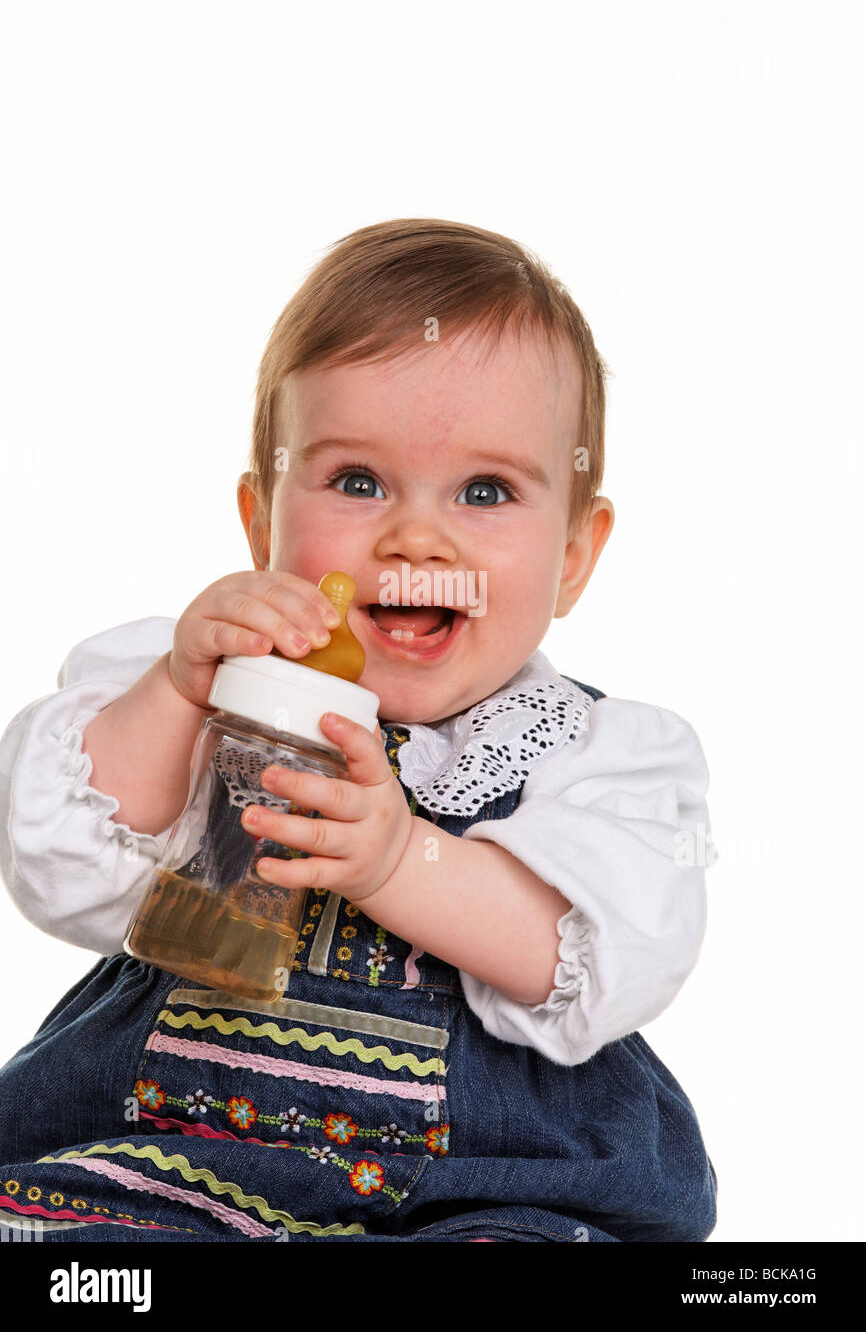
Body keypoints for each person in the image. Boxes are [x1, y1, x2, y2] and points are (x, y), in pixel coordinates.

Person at [0, 218, 717, 1242]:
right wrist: (176, 687)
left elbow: (584, 959)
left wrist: (396, 859)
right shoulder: (218, 696)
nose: (414, 534)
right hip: (176, 1162)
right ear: (262, 522)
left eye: (484, 491)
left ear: (571, 553)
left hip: (486, 1185)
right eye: (355, 481)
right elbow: (63, 869)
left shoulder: (586, 756)